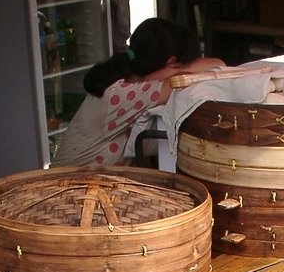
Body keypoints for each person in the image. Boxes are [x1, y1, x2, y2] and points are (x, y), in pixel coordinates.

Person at [51, 17, 224, 168]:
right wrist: (169, 73)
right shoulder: (123, 94)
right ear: (171, 62)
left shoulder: (121, 82)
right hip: (66, 189)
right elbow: (217, 64)